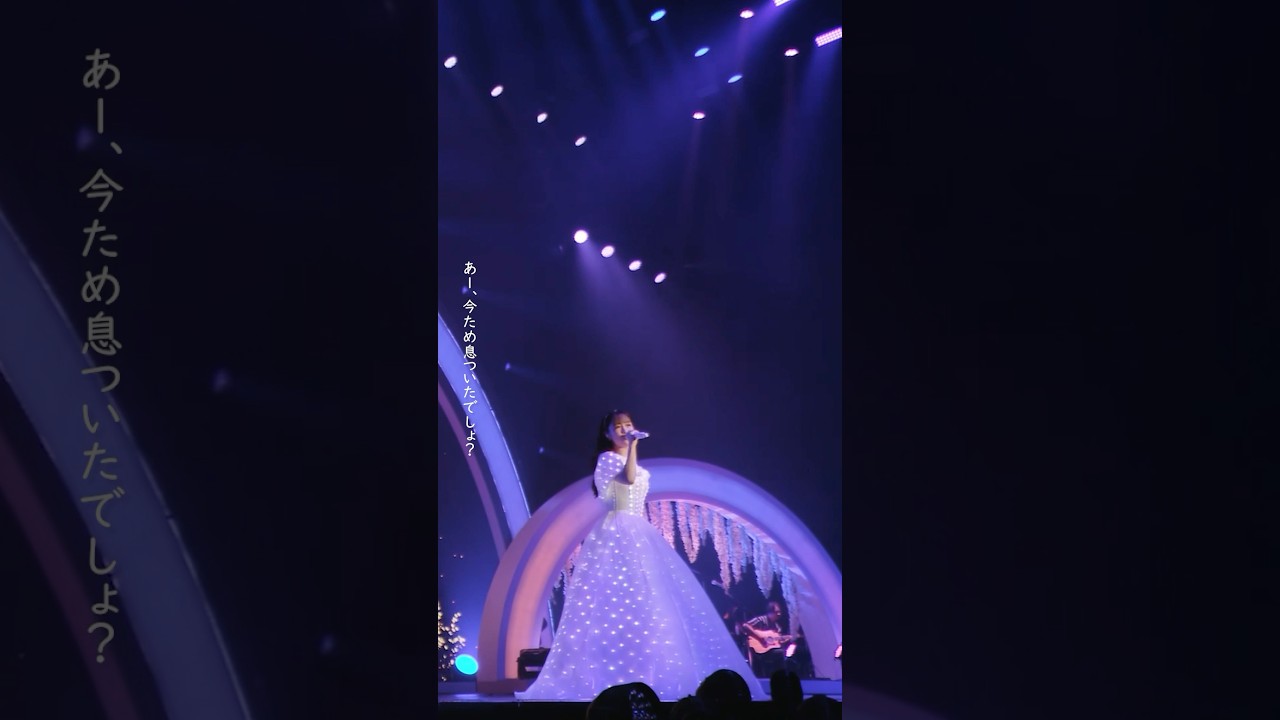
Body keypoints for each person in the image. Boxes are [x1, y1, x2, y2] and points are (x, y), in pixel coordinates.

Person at [516, 410, 767, 702]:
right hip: (616, 528)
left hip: (639, 527)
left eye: (628, 425)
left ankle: (655, 673)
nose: (625, 430)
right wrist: (633, 446)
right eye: (618, 427)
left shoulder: (629, 461)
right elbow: (629, 478)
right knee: (615, 598)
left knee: (653, 598)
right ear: (608, 433)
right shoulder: (608, 459)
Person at [739, 601, 792, 679]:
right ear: (770, 612)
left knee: (783, 651)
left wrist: (784, 639)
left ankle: (779, 677)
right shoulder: (761, 620)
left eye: (779, 612)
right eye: (776, 612)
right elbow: (745, 625)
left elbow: (777, 641)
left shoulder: (777, 627)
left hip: (769, 650)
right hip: (757, 650)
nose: (779, 614)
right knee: (780, 653)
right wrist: (760, 636)